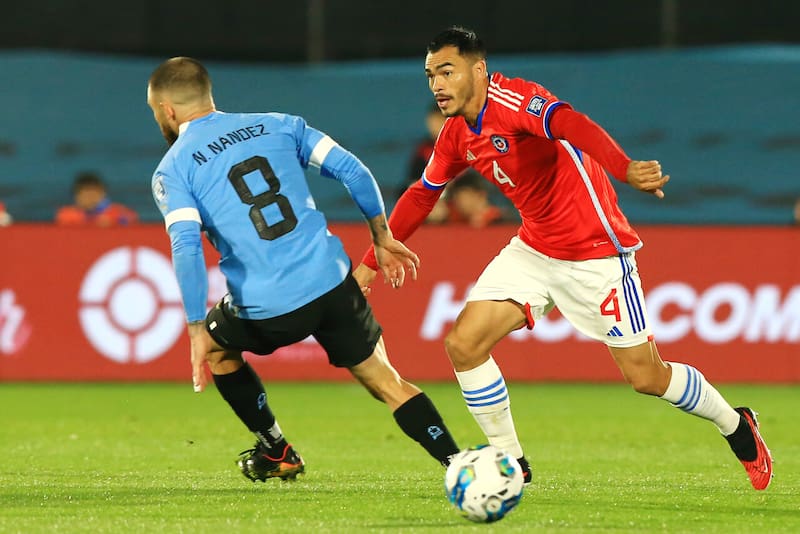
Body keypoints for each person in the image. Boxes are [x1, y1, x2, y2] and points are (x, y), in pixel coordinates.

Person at [355, 27, 773, 490]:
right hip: (535, 248)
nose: (437, 83)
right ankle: (512, 464)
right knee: (464, 344)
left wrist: (623, 167)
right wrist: (372, 261)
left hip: (596, 253)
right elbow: (421, 194)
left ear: (478, 69)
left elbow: (571, 123)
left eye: (447, 71)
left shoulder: (515, 101)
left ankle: (737, 426)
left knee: (647, 376)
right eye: (431, 74)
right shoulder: (456, 134)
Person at [146, 57, 460, 482]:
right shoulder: (279, 124)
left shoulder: (173, 168)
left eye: (155, 113)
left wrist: (196, 326)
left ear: (166, 110)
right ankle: (459, 464)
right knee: (387, 382)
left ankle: (277, 450)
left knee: (220, 351)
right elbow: (354, 170)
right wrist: (381, 236)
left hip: (266, 305)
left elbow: (185, 244)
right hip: (332, 283)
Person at [403, 102, 451, 224]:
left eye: (438, 120)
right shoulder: (422, 150)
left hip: (455, 200)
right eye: (432, 121)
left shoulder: (461, 145)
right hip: (430, 201)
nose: (434, 125)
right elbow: (413, 180)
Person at [55, 171, 138, 226]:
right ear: (76, 196)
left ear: (103, 193)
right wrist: (94, 221)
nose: (90, 198)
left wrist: (113, 222)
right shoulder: (67, 214)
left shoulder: (116, 211)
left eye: (93, 193)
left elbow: (132, 218)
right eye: (85, 194)